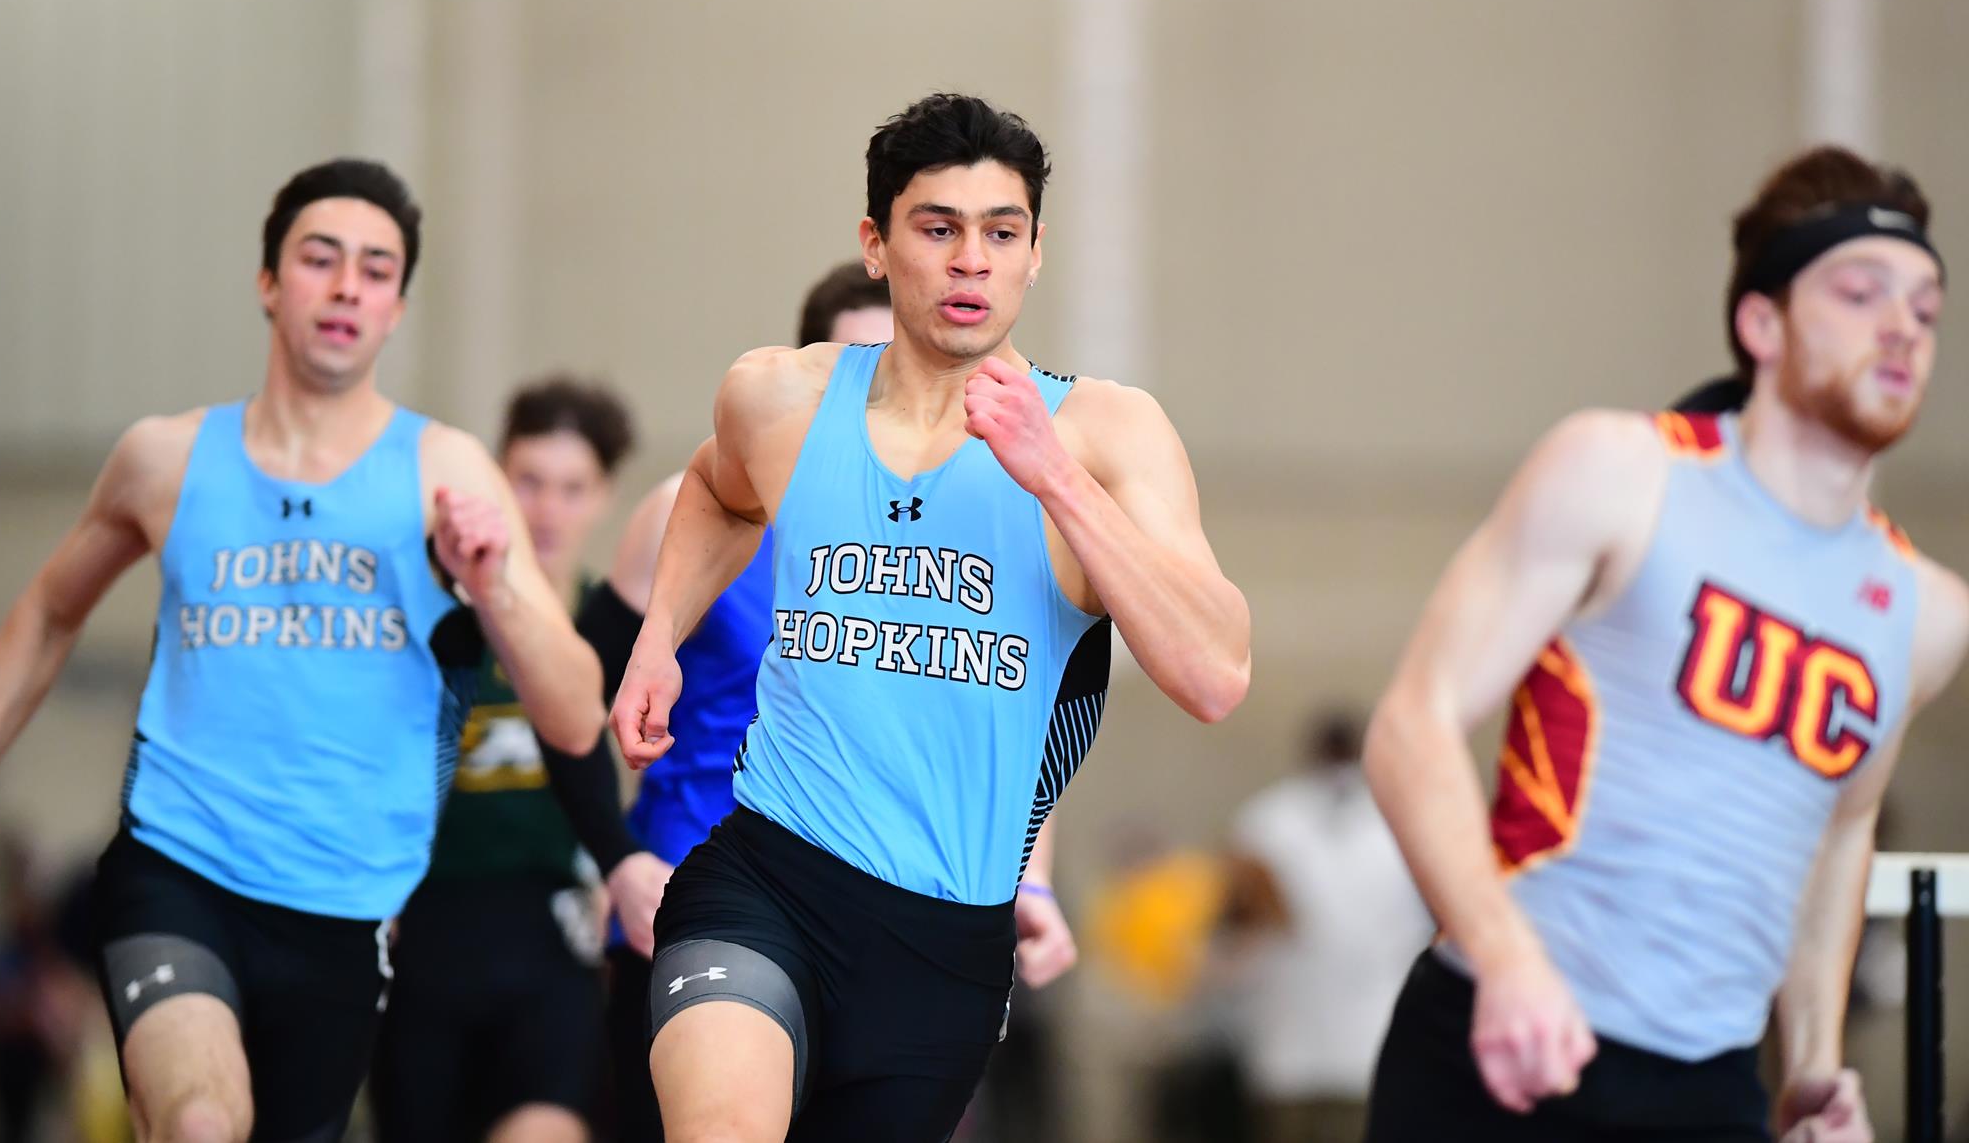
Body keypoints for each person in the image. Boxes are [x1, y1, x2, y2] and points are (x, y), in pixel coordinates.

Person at [611, 92, 1252, 1141]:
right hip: (763, 876)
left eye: (999, 233)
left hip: (942, 943)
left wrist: (1056, 482)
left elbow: (1214, 673)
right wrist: (656, 640)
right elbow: (717, 492)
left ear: (1033, 253)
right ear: (876, 243)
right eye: (937, 228)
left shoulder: (1106, 432)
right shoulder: (781, 397)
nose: (969, 260)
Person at [0, 159, 602, 1142]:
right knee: (199, 1120)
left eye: (377, 269)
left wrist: (494, 586)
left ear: (396, 308)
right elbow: (49, 613)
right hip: (177, 865)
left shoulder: (444, 472)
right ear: (270, 283)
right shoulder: (166, 459)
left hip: (343, 912)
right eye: (320, 258)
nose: (348, 285)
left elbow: (572, 714)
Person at [1361, 145, 1969, 1142]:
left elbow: (1837, 829)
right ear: (1759, 323)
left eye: (1924, 307)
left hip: (1708, 1087)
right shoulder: (1621, 471)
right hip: (1507, 1041)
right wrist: (1504, 957)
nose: (1900, 325)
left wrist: (1812, 1067)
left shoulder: (1925, 612)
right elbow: (1408, 726)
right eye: (1860, 293)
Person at [372, 377, 647, 1143]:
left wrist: (618, 867)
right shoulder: (439, 626)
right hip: (425, 931)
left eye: (571, 487)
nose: (547, 509)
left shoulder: (617, 628)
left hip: (552, 937)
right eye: (528, 481)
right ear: (494, 477)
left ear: (602, 496)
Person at [1223, 714, 1429, 1143]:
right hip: (1292, 1022)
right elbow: (1242, 918)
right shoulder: (1267, 821)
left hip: (1376, 1015)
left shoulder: (1407, 817)